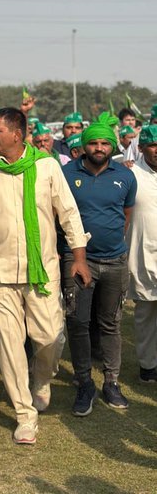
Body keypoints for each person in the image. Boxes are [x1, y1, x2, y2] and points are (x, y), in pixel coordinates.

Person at [0, 107, 89, 445]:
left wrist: (79, 257)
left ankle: (41, 379)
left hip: (42, 271)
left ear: (17, 133)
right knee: (9, 346)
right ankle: (25, 416)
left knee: (49, 337)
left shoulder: (47, 167)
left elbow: (68, 213)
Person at [61, 113, 137, 416]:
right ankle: (84, 384)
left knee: (111, 323)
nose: (99, 147)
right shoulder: (67, 174)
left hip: (116, 260)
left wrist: (111, 241)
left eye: (105, 142)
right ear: (83, 146)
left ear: (112, 145)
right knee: (78, 323)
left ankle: (111, 381)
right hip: (79, 260)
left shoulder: (125, 175)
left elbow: (126, 215)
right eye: (93, 142)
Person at [126, 125, 157, 383]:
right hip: (143, 255)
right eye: (153, 145)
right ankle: (148, 367)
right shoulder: (131, 175)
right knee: (146, 313)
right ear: (142, 148)